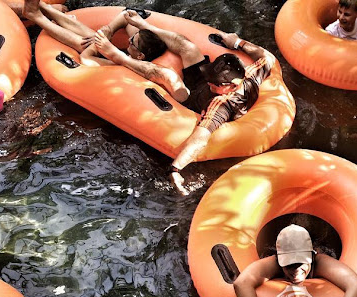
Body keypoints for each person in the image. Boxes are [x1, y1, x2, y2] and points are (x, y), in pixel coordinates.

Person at [93, 11, 276, 196]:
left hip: (191, 102)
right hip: (200, 88)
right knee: (187, 46)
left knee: (168, 76)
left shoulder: (221, 104)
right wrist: (236, 43)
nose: (210, 81)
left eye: (214, 82)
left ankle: (119, 57)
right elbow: (267, 57)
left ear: (230, 86)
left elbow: (201, 138)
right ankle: (148, 27)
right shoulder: (251, 75)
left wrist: (176, 169)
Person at [23, 0, 167, 67]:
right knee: (93, 36)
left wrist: (97, 44)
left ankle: (36, 16)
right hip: (106, 49)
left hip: (97, 60)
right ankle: (42, 6)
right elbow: (125, 15)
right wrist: (107, 32)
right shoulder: (135, 53)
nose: (129, 39)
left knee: (85, 44)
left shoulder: (126, 66)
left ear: (140, 56)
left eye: (132, 41)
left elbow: (85, 59)